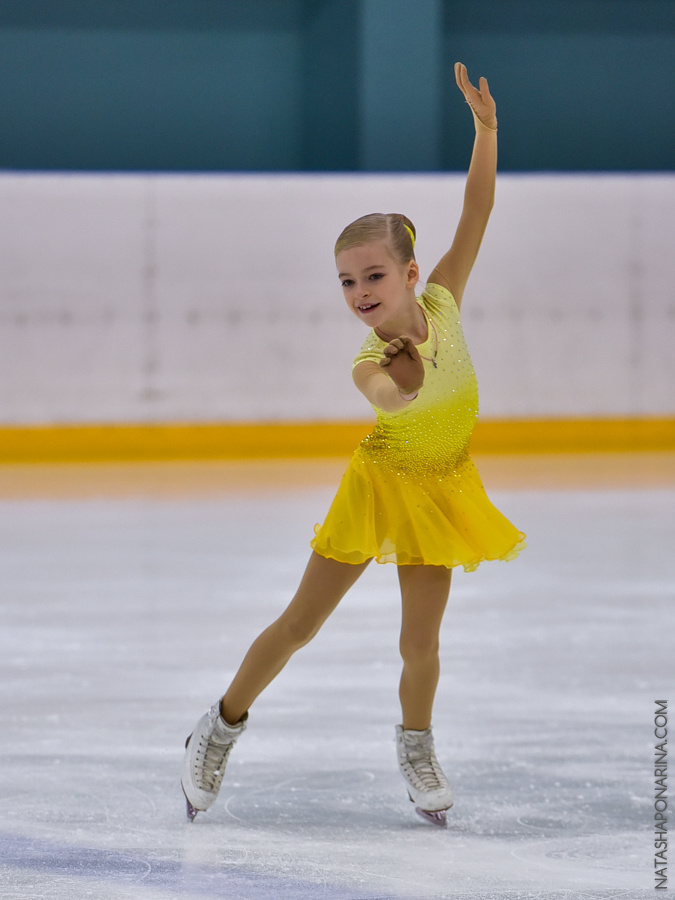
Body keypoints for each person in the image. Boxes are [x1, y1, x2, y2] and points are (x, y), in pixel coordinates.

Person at [181, 62, 525, 827]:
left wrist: (486, 131)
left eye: (371, 276)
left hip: (442, 485)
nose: (358, 293)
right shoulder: (369, 358)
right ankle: (219, 725)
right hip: (382, 482)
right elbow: (380, 394)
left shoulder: (442, 296)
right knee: (301, 623)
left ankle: (416, 744)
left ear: (408, 273)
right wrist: (398, 387)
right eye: (343, 282)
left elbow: (476, 209)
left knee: (420, 645)